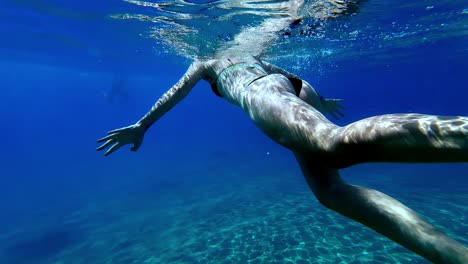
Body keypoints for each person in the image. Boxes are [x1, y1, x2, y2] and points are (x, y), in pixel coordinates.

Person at [97, 1, 468, 263]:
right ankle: (449, 253)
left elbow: (176, 93)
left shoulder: (204, 58)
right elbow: (290, 78)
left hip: (264, 94)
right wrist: (316, 100)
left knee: (333, 145)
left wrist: (141, 125)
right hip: (280, 88)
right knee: (330, 190)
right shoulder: (243, 51)